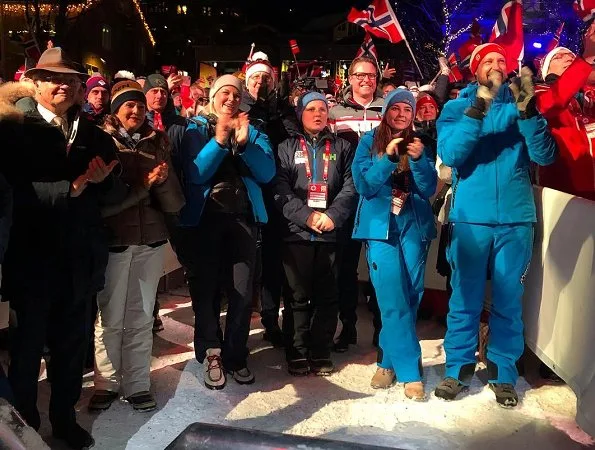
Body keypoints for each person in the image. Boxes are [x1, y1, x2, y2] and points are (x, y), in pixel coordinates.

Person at [0, 47, 126, 449]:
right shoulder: (14, 128)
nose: (63, 86)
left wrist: (105, 179)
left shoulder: (93, 133)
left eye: (70, 80)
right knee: (26, 352)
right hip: (32, 260)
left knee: (71, 352)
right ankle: (27, 426)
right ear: (34, 82)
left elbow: (110, 193)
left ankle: (64, 420)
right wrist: (66, 190)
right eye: (54, 79)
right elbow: (11, 192)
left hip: (80, 261)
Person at [435, 43, 557, 407]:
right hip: (471, 219)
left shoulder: (523, 107)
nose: (496, 64)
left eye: (502, 60)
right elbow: (454, 154)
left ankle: (504, 371)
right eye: (487, 60)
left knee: (508, 299)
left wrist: (530, 113)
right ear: (475, 69)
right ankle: (457, 368)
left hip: (517, 219)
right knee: (465, 298)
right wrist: (480, 106)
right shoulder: (456, 107)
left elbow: (544, 155)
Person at [88, 81, 185, 412]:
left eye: (141, 107)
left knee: (142, 315)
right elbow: (102, 200)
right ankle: (106, 383)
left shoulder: (157, 141)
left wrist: (164, 177)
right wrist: (142, 184)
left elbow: (173, 204)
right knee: (110, 315)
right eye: (129, 106)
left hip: (151, 240)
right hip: (114, 241)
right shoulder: (102, 141)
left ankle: (138, 382)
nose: (136, 111)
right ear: (115, 110)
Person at [177, 75, 275, 389]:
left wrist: (244, 144)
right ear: (213, 97)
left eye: (236, 94)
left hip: (243, 220)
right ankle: (211, 352)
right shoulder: (195, 128)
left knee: (242, 292)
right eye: (224, 93)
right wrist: (219, 141)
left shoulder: (254, 131)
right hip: (206, 221)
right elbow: (195, 173)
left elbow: (268, 172)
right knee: (206, 291)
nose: (230, 99)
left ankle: (236, 354)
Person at [351, 89, 437, 399]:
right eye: (395, 108)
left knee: (412, 295)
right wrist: (388, 158)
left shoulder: (419, 144)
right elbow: (365, 186)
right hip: (379, 228)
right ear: (385, 111)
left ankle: (387, 361)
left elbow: (427, 188)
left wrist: (418, 161)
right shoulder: (368, 142)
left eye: (407, 109)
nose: (401, 114)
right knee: (391, 296)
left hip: (414, 225)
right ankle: (410, 370)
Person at [274, 92, 357, 376]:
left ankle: (321, 350)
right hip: (296, 233)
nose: (318, 114)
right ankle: (296, 351)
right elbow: (280, 189)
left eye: (322, 109)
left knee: (327, 296)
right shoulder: (285, 147)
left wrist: (332, 216)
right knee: (296, 296)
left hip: (330, 232)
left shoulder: (343, 147)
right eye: (311, 109)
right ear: (300, 114)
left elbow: (350, 187)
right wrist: (306, 216)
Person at [329, 55, 384, 352]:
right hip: (347, 198)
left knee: (379, 266)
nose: (366, 80)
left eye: (371, 76)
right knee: (345, 267)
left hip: (378, 198)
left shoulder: (387, 109)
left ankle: (380, 328)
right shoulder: (335, 112)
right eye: (360, 75)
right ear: (349, 78)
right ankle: (347, 326)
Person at [535, 25, 595, 202]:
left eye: (570, 55)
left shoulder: (584, 97)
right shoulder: (539, 91)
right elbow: (550, 104)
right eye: (558, 56)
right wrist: (586, 57)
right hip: (562, 193)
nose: (567, 57)